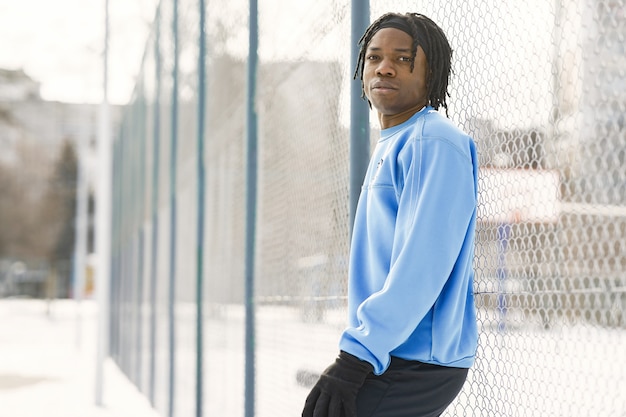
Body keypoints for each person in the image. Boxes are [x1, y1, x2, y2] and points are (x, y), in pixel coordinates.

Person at [302, 12, 479, 417]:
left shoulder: (434, 141)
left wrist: (357, 356)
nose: (384, 66)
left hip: (415, 359)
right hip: (390, 351)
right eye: (374, 57)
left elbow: (423, 263)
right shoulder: (395, 141)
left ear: (430, 72)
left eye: (402, 58)